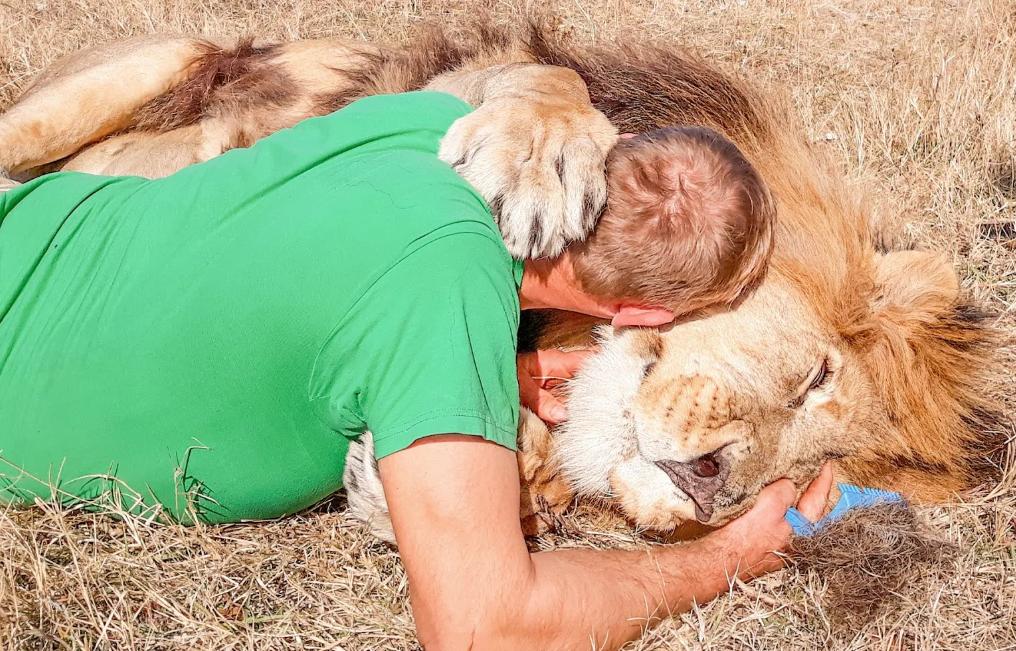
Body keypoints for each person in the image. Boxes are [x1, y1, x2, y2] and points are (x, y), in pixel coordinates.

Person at [0, 90, 831, 649]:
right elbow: (480, 626)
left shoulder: (438, 122)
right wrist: (723, 561)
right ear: (644, 315)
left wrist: (492, 372)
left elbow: (305, 264)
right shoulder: (445, 300)